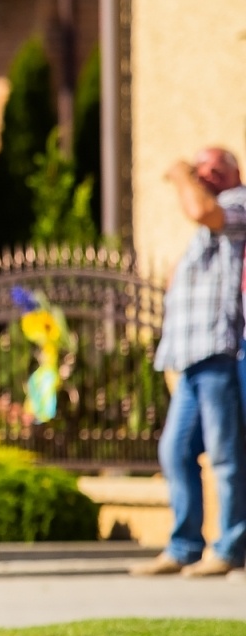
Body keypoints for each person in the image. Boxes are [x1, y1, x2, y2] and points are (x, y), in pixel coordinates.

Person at [131, 148, 246, 578]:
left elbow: (201, 209)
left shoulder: (237, 203)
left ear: (234, 172)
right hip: (191, 358)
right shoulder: (207, 226)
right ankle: (184, 545)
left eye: (216, 166)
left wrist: (180, 174)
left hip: (219, 350)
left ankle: (231, 546)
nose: (205, 172)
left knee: (224, 455)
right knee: (175, 451)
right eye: (201, 167)